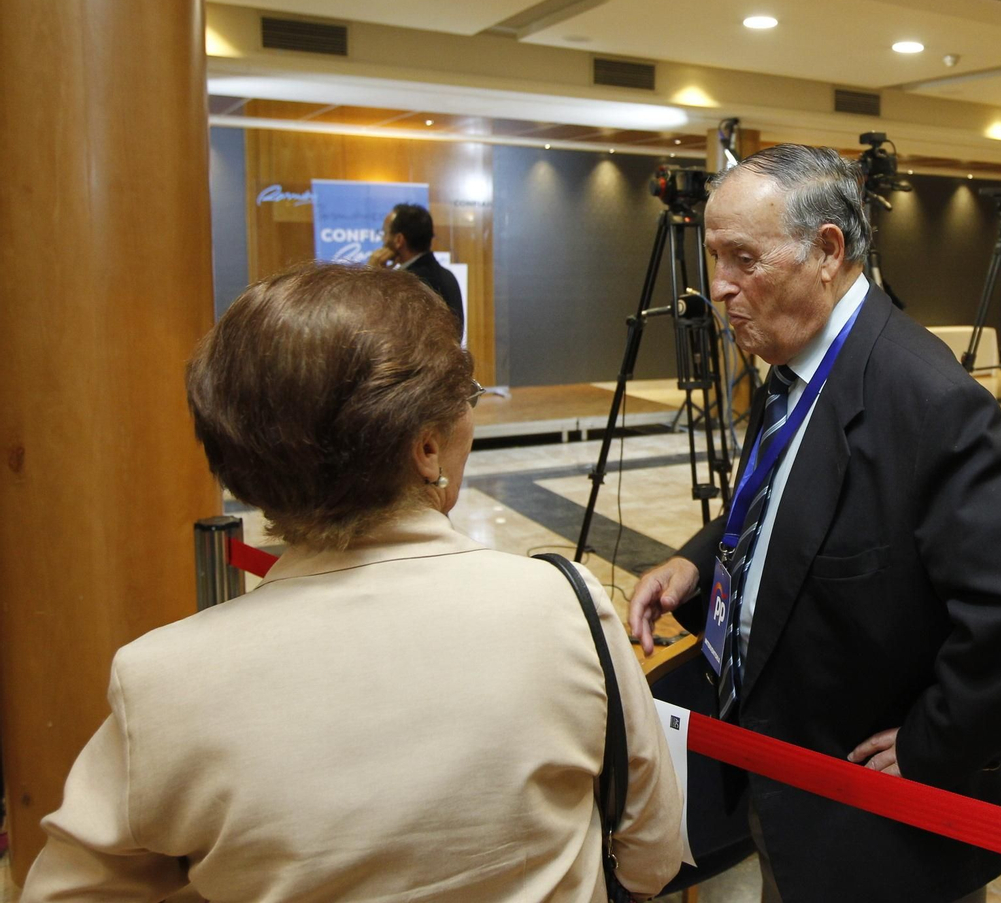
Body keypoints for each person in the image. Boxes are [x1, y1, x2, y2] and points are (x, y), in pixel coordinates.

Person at [23, 264, 681, 902]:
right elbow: (651, 855)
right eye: (466, 402)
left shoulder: (161, 679)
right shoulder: (561, 606)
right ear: (427, 447)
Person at [627, 145, 1001, 903]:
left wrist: (932, 745)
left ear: (826, 252)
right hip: (791, 790)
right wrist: (700, 562)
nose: (719, 287)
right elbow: (787, 502)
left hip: (880, 831)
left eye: (744, 258)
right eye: (713, 258)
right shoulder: (795, 358)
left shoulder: (926, 397)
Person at [369, 202, 465, 340]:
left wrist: (373, 276)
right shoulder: (447, 276)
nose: (383, 239)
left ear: (398, 240)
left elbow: (374, 329)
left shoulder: (404, 283)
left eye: (385, 233)